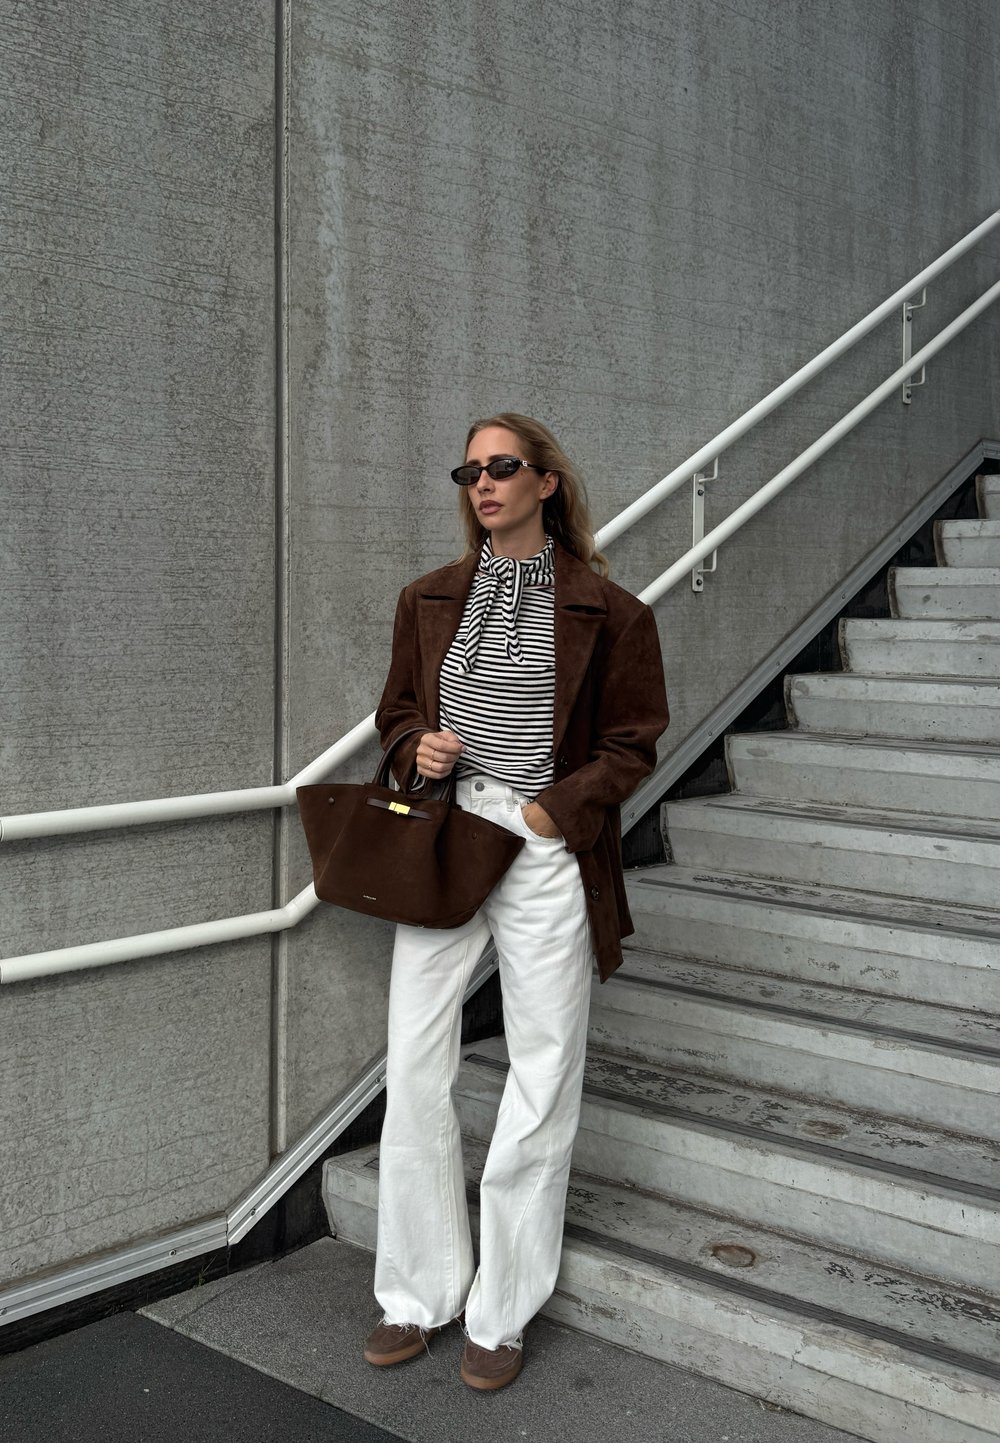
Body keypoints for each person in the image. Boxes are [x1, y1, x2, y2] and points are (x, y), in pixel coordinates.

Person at [365, 413, 669, 1391]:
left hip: (542, 850)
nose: (483, 483)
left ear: (546, 481)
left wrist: (553, 809)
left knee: (542, 1071)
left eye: (502, 468)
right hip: (447, 838)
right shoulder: (427, 598)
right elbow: (397, 711)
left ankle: (502, 1307)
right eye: (470, 470)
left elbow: (633, 740)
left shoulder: (610, 611)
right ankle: (416, 1291)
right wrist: (418, 746)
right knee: (413, 1065)